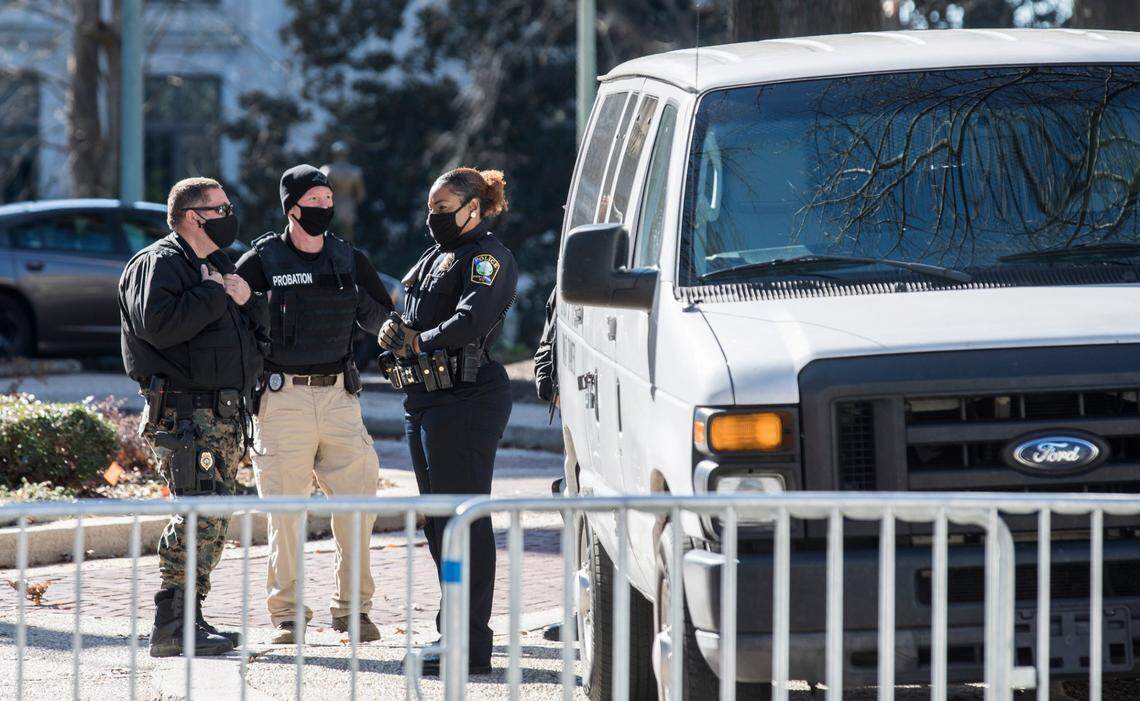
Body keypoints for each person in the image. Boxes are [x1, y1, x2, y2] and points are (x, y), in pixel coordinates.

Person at [236, 164, 393, 645]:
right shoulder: (261, 260)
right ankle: (286, 615)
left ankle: (354, 611)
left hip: (340, 397)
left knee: (358, 506)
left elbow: (381, 318)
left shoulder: (349, 258)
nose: (325, 208)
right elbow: (233, 320)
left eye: (329, 200)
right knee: (285, 512)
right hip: (283, 399)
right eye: (315, 201)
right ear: (291, 208)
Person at [119, 176, 266, 657]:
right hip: (185, 417)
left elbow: (250, 333)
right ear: (191, 217)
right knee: (197, 515)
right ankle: (170, 625)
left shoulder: (216, 264)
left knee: (212, 517)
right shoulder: (159, 263)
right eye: (221, 208)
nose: (230, 215)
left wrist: (244, 298)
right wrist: (211, 295)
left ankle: (190, 618)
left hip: (220, 416)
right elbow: (156, 326)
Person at [379, 167, 517, 676]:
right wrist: (395, 330)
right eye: (430, 208)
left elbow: (472, 319)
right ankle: (452, 631)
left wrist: (421, 339)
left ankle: (469, 642)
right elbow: (409, 310)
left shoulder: (486, 258)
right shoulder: (437, 255)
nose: (432, 218)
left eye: (443, 209)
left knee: (463, 521)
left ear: (473, 209)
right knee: (440, 523)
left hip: (467, 400)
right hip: (425, 400)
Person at [320, 141, 366, 243]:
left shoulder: (327, 170)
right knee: (347, 236)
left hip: (332, 204)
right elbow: (361, 195)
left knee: (329, 235)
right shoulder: (355, 171)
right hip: (349, 204)